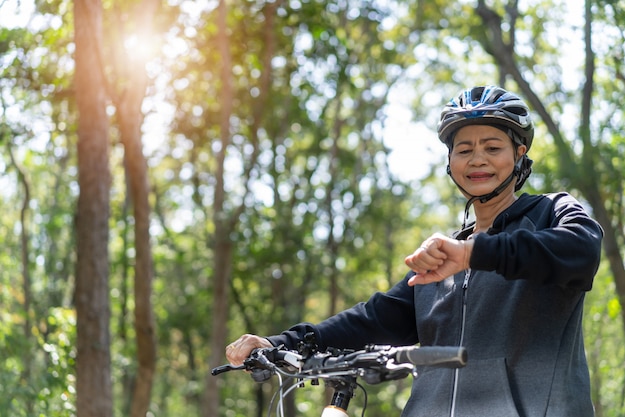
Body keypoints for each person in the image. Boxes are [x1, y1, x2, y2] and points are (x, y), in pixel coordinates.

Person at [225, 85, 604, 417]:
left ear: (519, 154)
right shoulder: (439, 259)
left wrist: (475, 253)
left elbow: (580, 251)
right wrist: (282, 343)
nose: (477, 159)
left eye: (492, 147)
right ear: (450, 161)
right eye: (464, 149)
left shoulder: (551, 213)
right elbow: (373, 319)